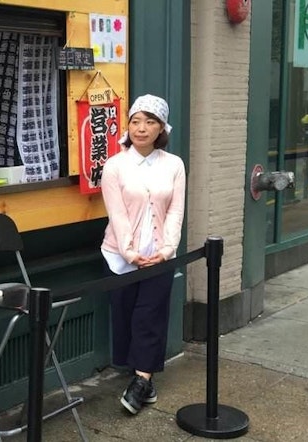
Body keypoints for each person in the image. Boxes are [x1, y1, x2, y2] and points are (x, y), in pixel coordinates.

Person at [99, 94, 186, 415]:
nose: (141, 128)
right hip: (120, 257)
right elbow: (117, 214)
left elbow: (176, 211)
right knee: (125, 316)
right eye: (136, 120)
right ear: (128, 125)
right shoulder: (115, 165)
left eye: (150, 122)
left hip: (160, 257)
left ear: (161, 128)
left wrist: (166, 250)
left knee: (150, 317)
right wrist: (131, 252)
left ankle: (141, 380)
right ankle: (143, 382)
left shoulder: (174, 165)